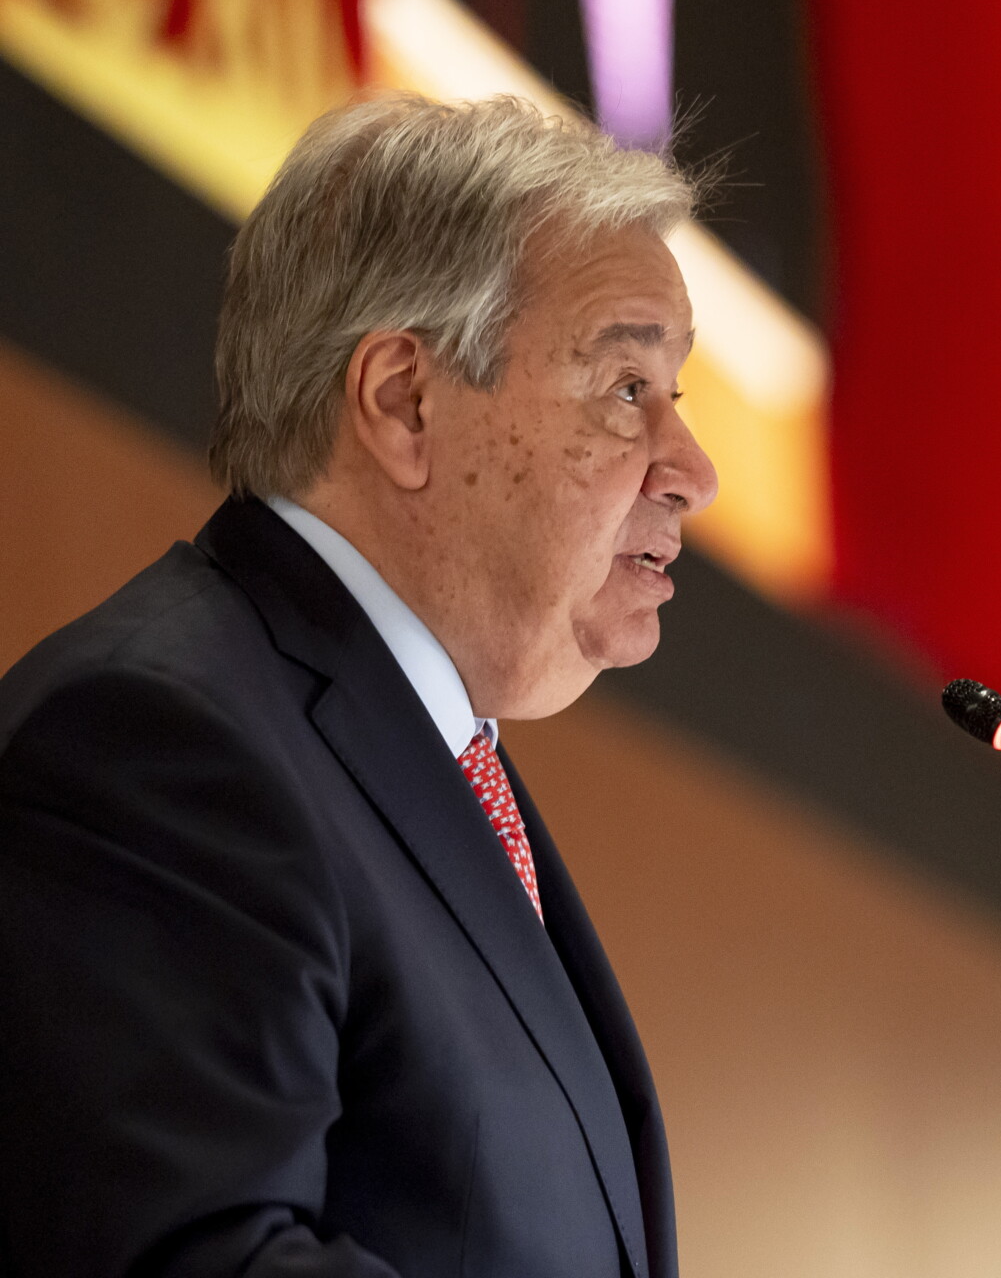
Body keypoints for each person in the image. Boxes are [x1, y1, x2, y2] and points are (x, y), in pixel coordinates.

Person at [0, 93, 717, 1277]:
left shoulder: (429, 760)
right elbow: (193, 1254)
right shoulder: (156, 744)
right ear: (402, 399)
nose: (692, 470)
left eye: (673, 397)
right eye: (625, 386)